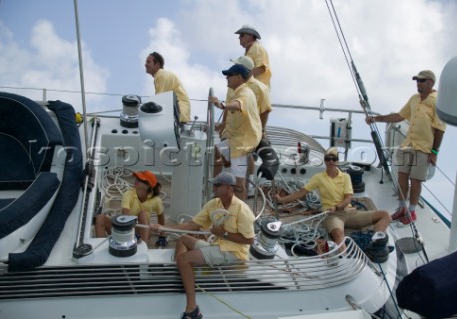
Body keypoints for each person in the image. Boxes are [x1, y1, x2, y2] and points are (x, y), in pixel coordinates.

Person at [150, 172, 255, 319]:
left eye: (217, 185)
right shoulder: (213, 204)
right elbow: (192, 225)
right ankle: (184, 274)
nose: (213, 189)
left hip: (234, 252)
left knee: (184, 259)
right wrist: (163, 228)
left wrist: (223, 233)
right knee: (183, 239)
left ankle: (192, 308)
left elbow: (250, 240)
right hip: (218, 246)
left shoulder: (243, 210)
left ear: (228, 188)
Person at [274, 147, 392, 260]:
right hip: (332, 216)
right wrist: (281, 200)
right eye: (328, 158)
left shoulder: (345, 177)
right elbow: (301, 193)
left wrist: (337, 207)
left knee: (385, 215)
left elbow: (348, 199)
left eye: (333, 158)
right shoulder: (318, 177)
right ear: (325, 161)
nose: (331, 161)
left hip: (350, 213)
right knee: (338, 234)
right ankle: (347, 259)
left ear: (337, 161)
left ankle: (376, 242)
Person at [365, 70, 446, 226]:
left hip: (423, 148)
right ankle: (402, 208)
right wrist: (376, 119)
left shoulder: (437, 102)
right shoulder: (414, 99)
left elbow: (440, 129)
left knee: (416, 181)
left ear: (430, 82)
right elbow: (399, 116)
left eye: (421, 81)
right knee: (402, 176)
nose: (418, 83)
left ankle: (412, 211)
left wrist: (434, 152)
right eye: (417, 81)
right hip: (407, 145)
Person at [209, 63, 262, 200]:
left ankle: (241, 212)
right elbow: (236, 118)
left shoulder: (245, 93)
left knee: (239, 183)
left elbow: (239, 105)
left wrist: (221, 105)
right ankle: (216, 187)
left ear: (238, 77)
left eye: (229, 75)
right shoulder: (238, 92)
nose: (227, 78)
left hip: (242, 143)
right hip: (234, 139)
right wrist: (219, 127)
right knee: (217, 151)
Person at [95, 170, 165, 244]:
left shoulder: (156, 200)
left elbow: (160, 216)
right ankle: (99, 247)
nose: (136, 180)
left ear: (147, 186)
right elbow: (125, 212)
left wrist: (162, 236)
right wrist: (128, 230)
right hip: (125, 229)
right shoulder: (128, 194)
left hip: (142, 231)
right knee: (100, 218)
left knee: (142, 214)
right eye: (136, 178)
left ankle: (143, 247)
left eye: (139, 180)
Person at [144, 51, 191, 123]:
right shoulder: (161, 75)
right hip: (181, 113)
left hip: (179, 113)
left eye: (148, 62)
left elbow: (159, 101)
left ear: (157, 64)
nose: (145, 65)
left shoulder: (161, 74)